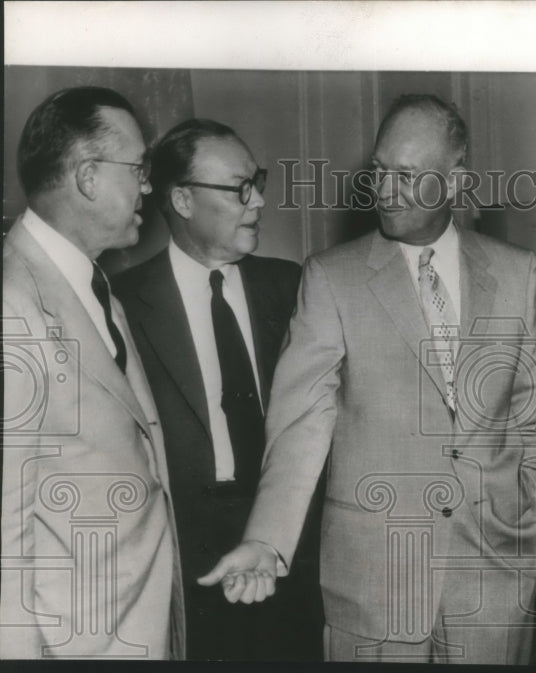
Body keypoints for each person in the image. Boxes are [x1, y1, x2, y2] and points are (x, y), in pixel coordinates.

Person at [198, 94, 536, 664]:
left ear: (456, 183)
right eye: (380, 172)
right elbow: (300, 424)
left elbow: (534, 417)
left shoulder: (516, 272)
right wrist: (268, 538)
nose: (385, 191)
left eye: (407, 176)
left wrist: (527, 520)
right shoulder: (333, 278)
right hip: (375, 583)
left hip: (494, 579)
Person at [112, 119, 323, 661]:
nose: (256, 202)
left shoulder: (295, 287)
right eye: (237, 188)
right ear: (182, 199)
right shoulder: (121, 303)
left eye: (257, 181)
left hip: (292, 552)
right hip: (184, 562)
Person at [1, 86, 184, 658]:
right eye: (138, 169)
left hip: (129, 625)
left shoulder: (90, 283)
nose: (147, 187)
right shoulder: (12, 303)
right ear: (87, 177)